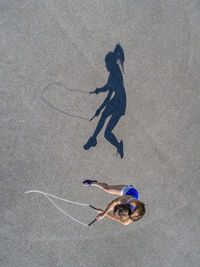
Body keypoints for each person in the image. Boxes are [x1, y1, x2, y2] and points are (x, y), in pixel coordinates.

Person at [83, 44, 126, 158]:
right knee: (105, 128)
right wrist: (98, 91)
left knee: (107, 133)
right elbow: (107, 90)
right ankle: (94, 139)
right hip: (118, 100)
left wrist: (99, 107)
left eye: (107, 64)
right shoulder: (113, 74)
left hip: (120, 103)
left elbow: (108, 93)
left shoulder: (115, 74)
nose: (106, 66)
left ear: (111, 64)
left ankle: (111, 144)